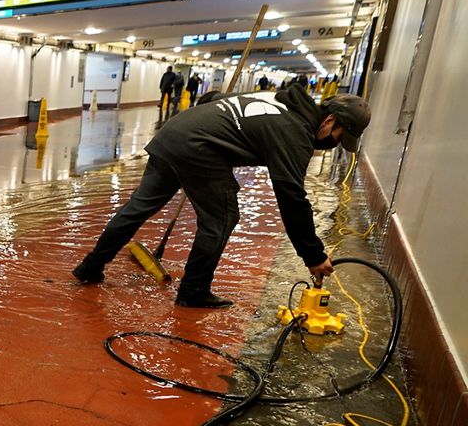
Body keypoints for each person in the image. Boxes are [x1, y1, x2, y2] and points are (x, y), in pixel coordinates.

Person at [71, 84, 370, 308]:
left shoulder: (275, 98)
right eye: (339, 138)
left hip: (174, 133)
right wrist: (314, 255)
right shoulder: (295, 134)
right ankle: (193, 291)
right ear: (329, 121)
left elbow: (212, 99)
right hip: (198, 147)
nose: (334, 144)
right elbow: (291, 198)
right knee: (222, 218)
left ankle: (90, 266)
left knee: (139, 207)